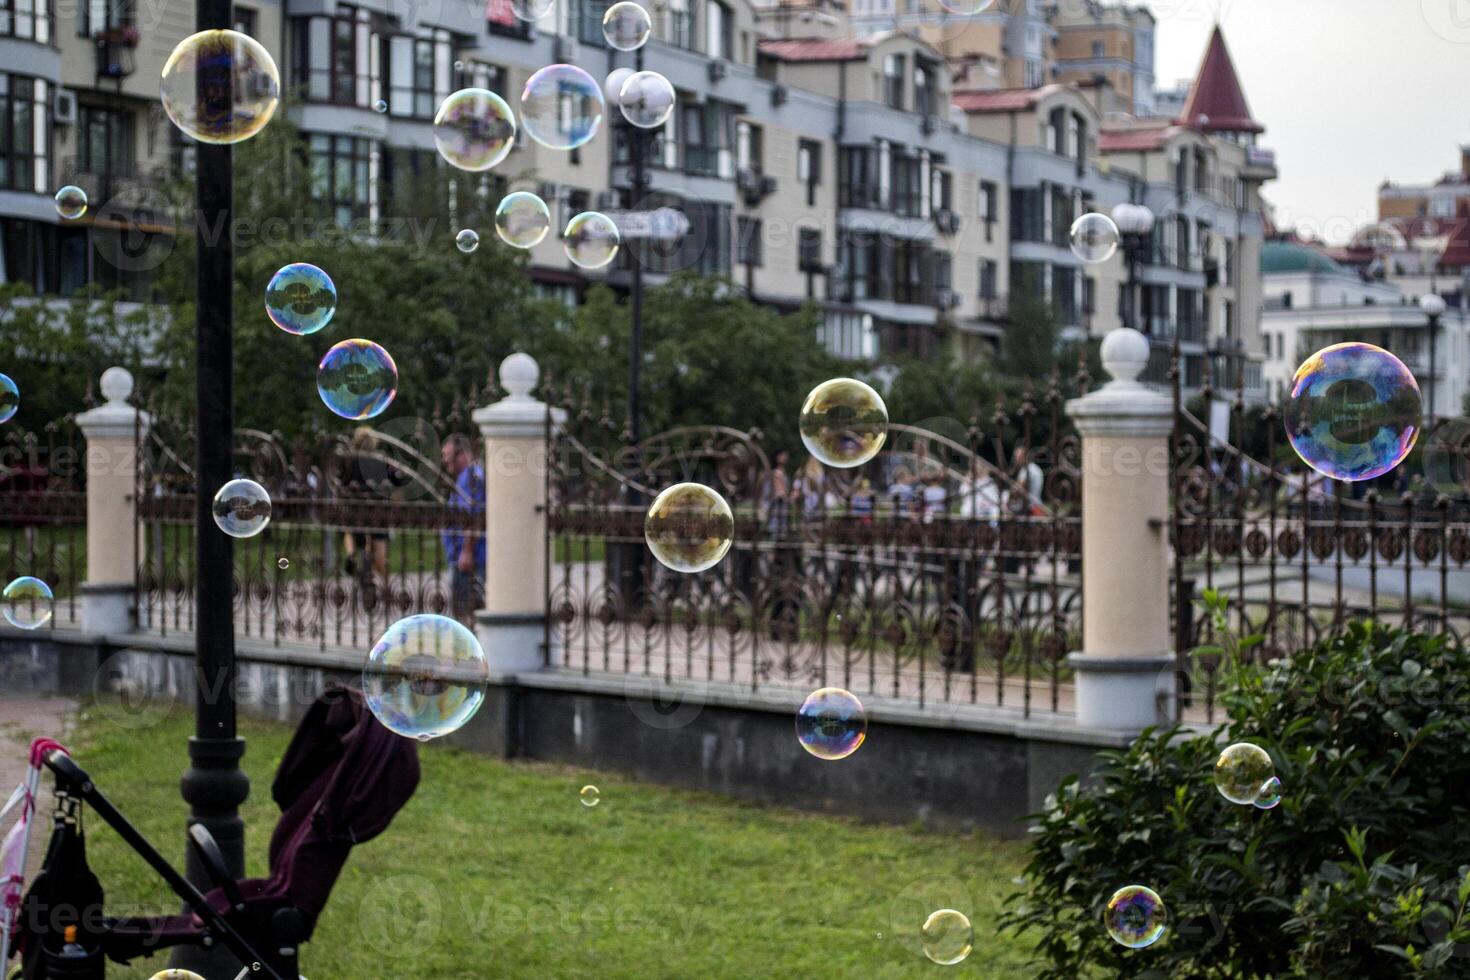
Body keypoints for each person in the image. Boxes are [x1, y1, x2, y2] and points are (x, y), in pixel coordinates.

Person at [441, 434, 486, 622]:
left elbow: (473, 516)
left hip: (469, 557)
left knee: (464, 613)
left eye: (447, 455)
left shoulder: (472, 478)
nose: (444, 461)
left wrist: (466, 551)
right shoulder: (465, 477)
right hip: (462, 554)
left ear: (462, 455)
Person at [342, 427, 390, 594]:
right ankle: (386, 585)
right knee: (378, 548)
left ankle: (351, 554)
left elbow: (343, 485)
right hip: (377, 510)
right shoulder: (380, 461)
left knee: (351, 533)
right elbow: (388, 485)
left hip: (356, 510)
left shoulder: (350, 461)